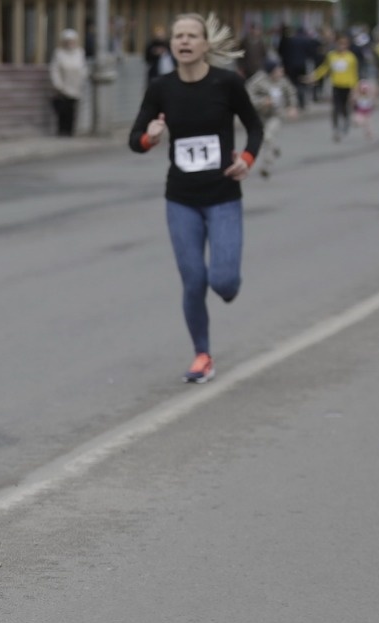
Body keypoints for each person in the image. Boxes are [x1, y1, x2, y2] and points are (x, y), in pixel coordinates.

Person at [128, 13, 263, 384]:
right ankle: (202, 355)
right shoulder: (161, 87)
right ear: (171, 44)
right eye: (178, 36)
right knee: (192, 282)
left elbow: (254, 125)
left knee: (223, 283)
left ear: (205, 44)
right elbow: (135, 138)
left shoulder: (227, 83)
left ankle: (227, 285)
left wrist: (247, 159)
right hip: (181, 199)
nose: (184, 42)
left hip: (222, 196)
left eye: (191, 36)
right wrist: (150, 137)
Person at [246, 58, 298, 178]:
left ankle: (266, 166)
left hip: (276, 114)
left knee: (268, 136)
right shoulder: (258, 81)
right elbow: (248, 96)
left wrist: (292, 107)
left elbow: (291, 92)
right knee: (265, 139)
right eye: (277, 70)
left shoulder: (283, 81)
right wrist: (262, 102)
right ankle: (275, 148)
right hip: (260, 114)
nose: (280, 72)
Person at [305, 33, 359, 142]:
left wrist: (355, 89)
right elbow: (325, 68)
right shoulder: (331, 56)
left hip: (347, 86)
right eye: (340, 44)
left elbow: (354, 74)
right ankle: (336, 129)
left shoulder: (351, 57)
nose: (342, 46)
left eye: (344, 44)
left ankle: (346, 121)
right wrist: (314, 76)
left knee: (344, 108)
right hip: (336, 85)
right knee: (335, 108)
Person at [49, 29, 88, 136]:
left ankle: (70, 131)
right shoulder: (59, 53)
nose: (70, 44)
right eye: (68, 41)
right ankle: (62, 131)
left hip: (75, 87)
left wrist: (82, 80)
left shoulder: (80, 53)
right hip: (63, 88)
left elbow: (83, 68)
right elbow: (54, 70)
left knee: (72, 111)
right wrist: (58, 84)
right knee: (62, 110)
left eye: (72, 41)